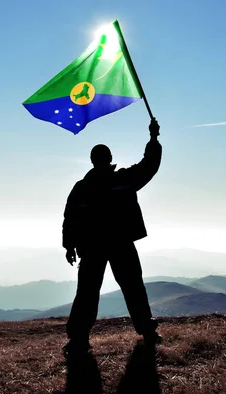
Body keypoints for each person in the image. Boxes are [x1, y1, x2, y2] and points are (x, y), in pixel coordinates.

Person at [62, 119, 163, 357]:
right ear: (108, 158)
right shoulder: (122, 180)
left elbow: (70, 218)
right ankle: (147, 330)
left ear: (94, 160)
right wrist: (154, 139)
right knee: (132, 288)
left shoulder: (83, 187)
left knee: (89, 293)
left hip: (94, 247)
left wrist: (69, 246)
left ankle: (78, 339)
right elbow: (149, 166)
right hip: (118, 244)